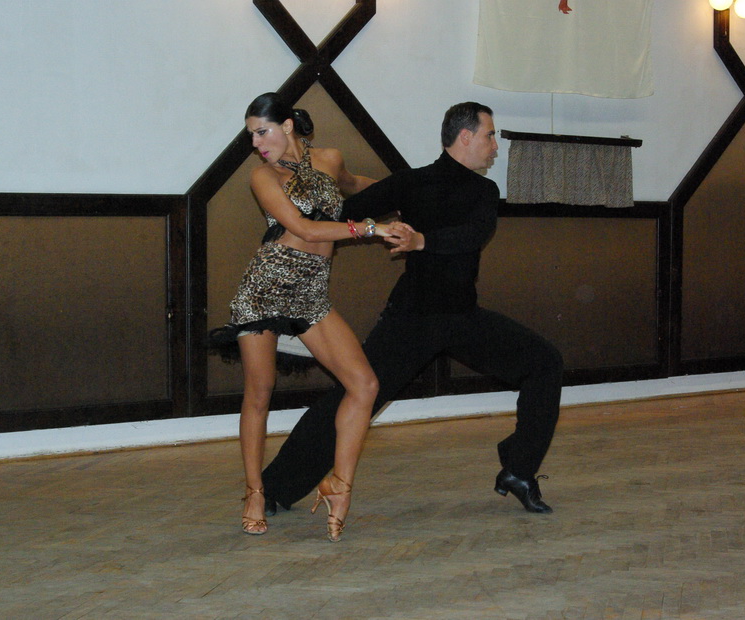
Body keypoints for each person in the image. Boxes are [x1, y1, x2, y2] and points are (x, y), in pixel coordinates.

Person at [260, 102, 564, 515]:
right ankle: (273, 488)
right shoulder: (411, 182)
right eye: (490, 135)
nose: (495, 145)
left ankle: (519, 470)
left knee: (545, 363)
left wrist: (423, 240)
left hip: (462, 317)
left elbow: (473, 235)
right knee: (352, 397)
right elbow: (344, 213)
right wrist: (292, 216)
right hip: (412, 320)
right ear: (465, 137)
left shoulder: (483, 191)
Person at [211, 92, 408, 541]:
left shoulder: (330, 159)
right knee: (259, 393)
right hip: (266, 288)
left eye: (262, 132)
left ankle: (339, 485)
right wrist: (372, 228)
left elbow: (359, 186)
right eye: (251, 136)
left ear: (286, 125)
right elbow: (304, 228)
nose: (257, 143)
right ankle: (254, 491)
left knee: (365, 384)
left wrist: (407, 198)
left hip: (311, 294)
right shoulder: (262, 176)